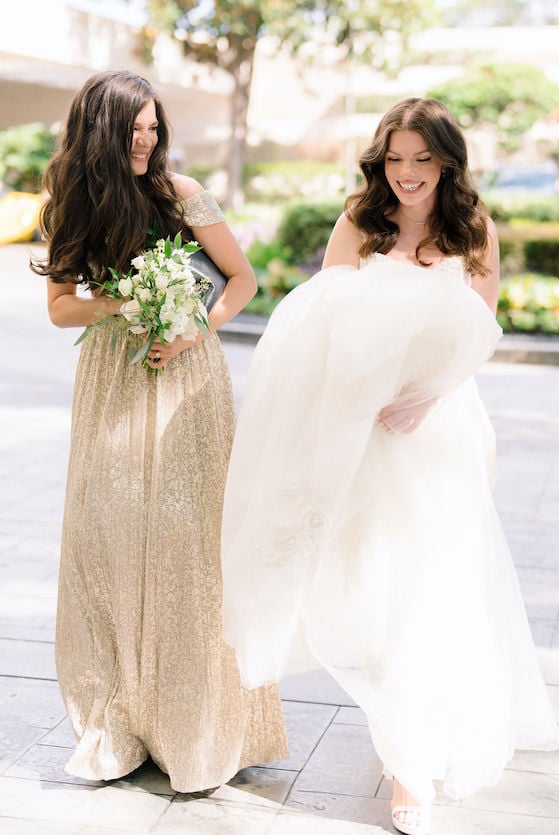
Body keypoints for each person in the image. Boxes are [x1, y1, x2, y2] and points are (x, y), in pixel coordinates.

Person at [219, 97, 559, 834]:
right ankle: (405, 750)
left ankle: (412, 765)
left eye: (422, 160)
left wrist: (427, 396)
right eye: (396, 159)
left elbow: (482, 331)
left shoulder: (472, 229)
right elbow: (321, 331)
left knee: (428, 591)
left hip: (438, 431)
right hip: (363, 435)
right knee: (373, 593)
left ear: (446, 161)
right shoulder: (358, 222)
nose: (407, 174)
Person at [31, 70, 287, 792]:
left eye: (152, 127)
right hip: (113, 378)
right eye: (133, 128)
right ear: (100, 132)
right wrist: (122, 303)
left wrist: (188, 327)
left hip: (186, 376)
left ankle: (198, 721)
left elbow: (241, 281)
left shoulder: (181, 194)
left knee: (187, 545)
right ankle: (120, 716)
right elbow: (58, 306)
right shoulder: (72, 201)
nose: (145, 140)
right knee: (106, 539)